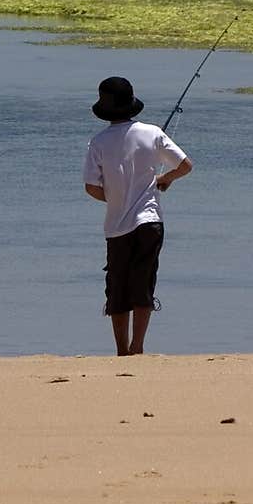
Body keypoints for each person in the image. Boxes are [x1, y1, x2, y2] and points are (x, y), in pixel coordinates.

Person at [83, 75, 192, 356]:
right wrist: (163, 179)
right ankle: (138, 347)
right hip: (150, 221)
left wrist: (116, 196)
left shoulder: (98, 142)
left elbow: (91, 187)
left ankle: (122, 350)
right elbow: (185, 165)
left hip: (116, 227)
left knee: (117, 287)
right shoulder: (152, 132)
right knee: (144, 282)